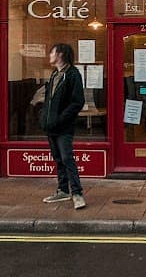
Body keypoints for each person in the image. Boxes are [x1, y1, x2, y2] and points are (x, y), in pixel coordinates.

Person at [40, 43, 86, 209]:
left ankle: (77, 193)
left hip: (64, 127)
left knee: (67, 158)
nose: (50, 55)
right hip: (51, 126)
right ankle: (63, 190)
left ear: (60, 54)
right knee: (58, 159)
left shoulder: (73, 75)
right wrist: (44, 118)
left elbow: (77, 102)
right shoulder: (54, 75)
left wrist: (60, 119)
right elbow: (49, 100)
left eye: (52, 52)